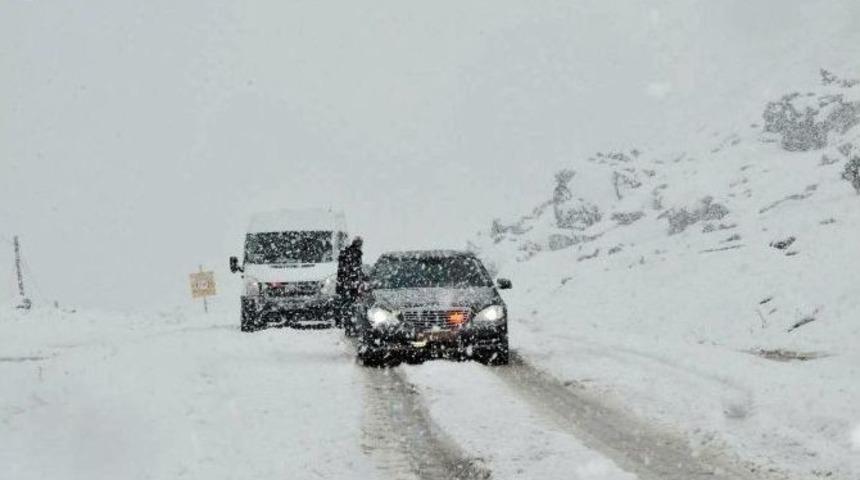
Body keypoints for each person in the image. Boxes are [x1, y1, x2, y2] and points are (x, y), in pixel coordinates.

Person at [336, 236, 364, 331]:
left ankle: (346, 323)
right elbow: (353, 269)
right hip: (350, 284)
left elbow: (342, 270)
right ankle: (349, 324)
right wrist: (354, 280)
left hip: (346, 284)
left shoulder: (347, 253)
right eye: (360, 244)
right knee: (350, 304)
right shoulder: (353, 254)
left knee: (346, 303)